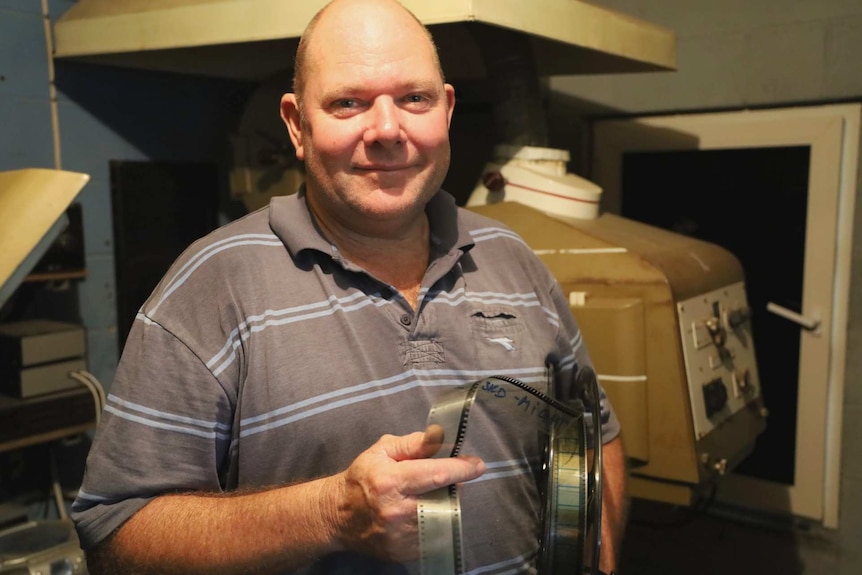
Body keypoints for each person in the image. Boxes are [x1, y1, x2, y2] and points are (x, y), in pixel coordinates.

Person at [71, 0, 628, 573]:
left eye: (415, 98)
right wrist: (329, 514)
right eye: (347, 103)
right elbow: (115, 536)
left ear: (448, 108)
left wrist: (596, 557)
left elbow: (595, 433)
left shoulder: (512, 259)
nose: (387, 130)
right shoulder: (213, 283)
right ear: (296, 125)